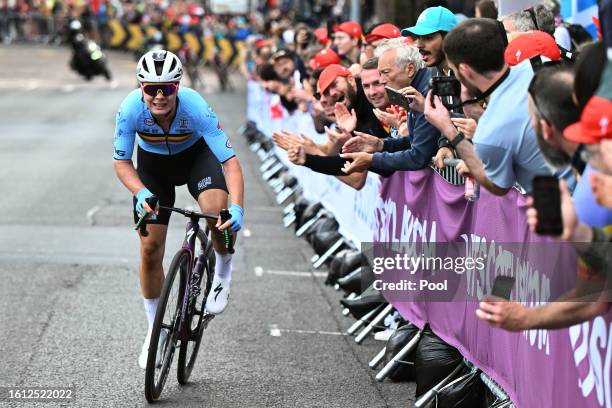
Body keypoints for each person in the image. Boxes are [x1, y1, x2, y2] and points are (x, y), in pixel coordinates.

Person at [113, 50, 245, 369]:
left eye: (167, 88)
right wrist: (141, 191)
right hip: (153, 171)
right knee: (149, 248)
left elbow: (230, 163)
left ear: (178, 86)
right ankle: (153, 333)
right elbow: (121, 162)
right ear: (141, 87)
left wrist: (237, 208)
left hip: (196, 161)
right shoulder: (130, 109)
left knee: (217, 214)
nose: (159, 96)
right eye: (151, 88)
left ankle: (224, 267)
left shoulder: (196, 106)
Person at [424, 18, 552, 195]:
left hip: (562, 209)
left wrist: (449, 131)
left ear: (466, 71)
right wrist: (474, 110)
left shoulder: (490, 133)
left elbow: (498, 186)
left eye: (454, 71)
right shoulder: (541, 64)